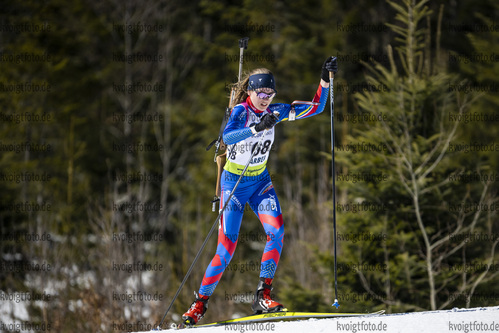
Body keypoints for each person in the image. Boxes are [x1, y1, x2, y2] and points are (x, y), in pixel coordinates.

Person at [182, 56, 338, 326]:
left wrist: (325, 79)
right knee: (226, 249)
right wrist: (256, 127)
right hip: (234, 185)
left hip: (260, 184)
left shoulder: (275, 111)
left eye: (270, 93)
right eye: (261, 92)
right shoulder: (241, 111)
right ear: (251, 92)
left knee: (276, 232)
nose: (266, 98)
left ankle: (263, 295)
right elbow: (227, 137)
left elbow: (317, 108)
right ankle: (199, 304)